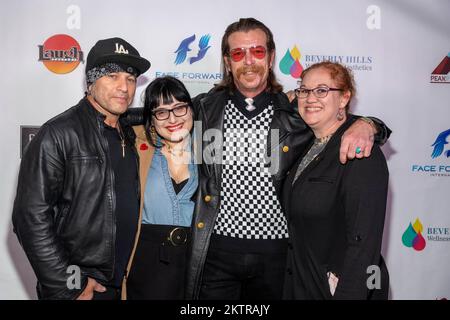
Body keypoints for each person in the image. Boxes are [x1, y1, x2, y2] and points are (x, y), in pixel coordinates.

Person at [185, 18, 391, 299]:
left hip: (279, 258)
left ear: (270, 57)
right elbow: (155, 117)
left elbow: (337, 120)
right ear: (227, 61)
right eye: (238, 54)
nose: (248, 61)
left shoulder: (295, 111)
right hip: (217, 253)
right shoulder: (203, 109)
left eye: (258, 51)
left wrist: (369, 125)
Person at [12, 37, 150, 300]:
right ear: (91, 82)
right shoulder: (58, 134)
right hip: (83, 288)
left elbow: (165, 110)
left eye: (130, 79)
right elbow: (30, 218)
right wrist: (70, 284)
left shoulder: (129, 132)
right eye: (112, 76)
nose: (124, 87)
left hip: (122, 285)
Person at [282, 61, 389, 299]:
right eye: (304, 90)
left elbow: (364, 244)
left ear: (343, 99)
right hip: (303, 284)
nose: (310, 98)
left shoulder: (359, 151)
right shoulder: (304, 144)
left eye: (322, 90)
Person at [123, 76, 198, 299]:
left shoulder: (210, 148)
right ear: (152, 118)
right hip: (147, 261)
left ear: (192, 109)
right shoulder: (136, 145)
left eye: (179, 108)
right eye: (161, 112)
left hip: (196, 260)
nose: (172, 118)